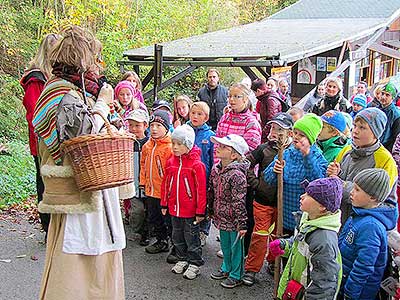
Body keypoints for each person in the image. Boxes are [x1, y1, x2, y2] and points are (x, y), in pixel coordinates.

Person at [32, 25, 125, 299]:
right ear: (82, 58)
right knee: (78, 265)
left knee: (95, 256)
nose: (97, 65)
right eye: (94, 58)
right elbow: (83, 141)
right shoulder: (62, 94)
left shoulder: (67, 89)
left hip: (89, 188)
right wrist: (103, 105)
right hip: (77, 193)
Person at [269, 177, 343, 299]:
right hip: (294, 290)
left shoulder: (323, 241)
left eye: (308, 195)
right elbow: (299, 244)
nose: (302, 196)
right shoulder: (308, 220)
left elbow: (323, 286)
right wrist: (285, 245)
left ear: (322, 207)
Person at [242, 113, 294, 286]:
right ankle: (251, 269)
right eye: (273, 128)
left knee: (278, 236)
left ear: (290, 133)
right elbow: (246, 163)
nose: (275, 132)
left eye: (280, 129)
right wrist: (256, 183)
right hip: (263, 201)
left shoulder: (293, 152)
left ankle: (273, 262)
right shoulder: (263, 148)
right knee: (260, 235)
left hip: (283, 203)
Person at [327, 107, 398, 223]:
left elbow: (376, 199)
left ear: (376, 133)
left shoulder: (386, 161)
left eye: (362, 127)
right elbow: (333, 177)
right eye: (354, 126)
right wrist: (333, 173)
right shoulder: (346, 150)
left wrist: (338, 183)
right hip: (341, 219)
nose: (355, 131)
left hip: (364, 223)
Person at [20, 33, 60, 237]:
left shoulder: (55, 76)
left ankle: (57, 225)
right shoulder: (36, 79)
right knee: (44, 182)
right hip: (42, 141)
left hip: (55, 139)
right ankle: (48, 226)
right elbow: (34, 114)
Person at [339, 168, 398, 300]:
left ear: (373, 197)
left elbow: (364, 267)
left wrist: (350, 294)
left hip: (358, 293)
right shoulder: (359, 214)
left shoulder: (370, 226)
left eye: (357, 190)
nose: (351, 192)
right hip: (344, 280)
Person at [264, 113, 328, 233]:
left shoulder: (318, 157)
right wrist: (274, 171)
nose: (296, 137)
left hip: (306, 218)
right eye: (295, 133)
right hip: (284, 215)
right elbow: (268, 179)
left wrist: (307, 156)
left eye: (302, 135)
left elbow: (318, 181)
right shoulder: (286, 154)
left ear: (311, 138)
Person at [161, 125, 207, 280]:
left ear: (188, 144)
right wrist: (164, 203)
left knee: (192, 237)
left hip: (191, 211)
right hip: (174, 209)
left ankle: (195, 263)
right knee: (177, 236)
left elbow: (201, 190)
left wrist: (201, 211)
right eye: (173, 143)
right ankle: (182, 259)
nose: (174, 147)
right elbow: (165, 183)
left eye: (179, 144)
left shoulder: (196, 165)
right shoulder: (170, 162)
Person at [208, 134, 250, 288]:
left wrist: (242, 224)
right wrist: (211, 210)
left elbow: (239, 201)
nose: (218, 147)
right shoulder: (216, 169)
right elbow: (211, 191)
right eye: (219, 145)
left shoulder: (237, 175)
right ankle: (226, 267)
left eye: (224, 146)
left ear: (234, 155)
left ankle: (236, 274)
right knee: (225, 245)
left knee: (236, 247)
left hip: (234, 219)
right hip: (221, 216)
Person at [140, 110, 173, 254]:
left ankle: (176, 246)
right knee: (154, 217)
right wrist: (142, 182)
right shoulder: (147, 146)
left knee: (169, 220)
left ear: (166, 128)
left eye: (158, 126)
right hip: (150, 190)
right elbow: (143, 165)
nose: (154, 129)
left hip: (165, 192)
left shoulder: (170, 147)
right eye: (152, 125)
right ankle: (161, 241)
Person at [187, 101, 215, 246]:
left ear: (206, 117)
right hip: (188, 175)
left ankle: (204, 231)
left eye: (199, 114)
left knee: (204, 204)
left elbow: (212, 158)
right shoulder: (185, 131)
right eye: (193, 113)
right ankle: (191, 228)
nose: (195, 116)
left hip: (204, 176)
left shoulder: (210, 136)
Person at [126, 109, 150, 246]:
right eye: (131, 125)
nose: (134, 129)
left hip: (148, 184)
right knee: (138, 210)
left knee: (150, 210)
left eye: (137, 125)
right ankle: (139, 231)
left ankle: (148, 232)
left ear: (145, 126)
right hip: (133, 184)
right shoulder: (127, 142)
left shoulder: (150, 143)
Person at [216, 83, 262, 153]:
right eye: (229, 96)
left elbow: (250, 151)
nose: (231, 99)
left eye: (236, 96)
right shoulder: (224, 118)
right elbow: (217, 143)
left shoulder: (251, 123)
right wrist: (218, 161)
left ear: (245, 99)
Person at [251, 78, 287, 142]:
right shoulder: (264, 98)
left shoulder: (270, 100)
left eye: (254, 93)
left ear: (259, 91)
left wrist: (262, 135)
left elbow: (272, 120)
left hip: (271, 135)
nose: (255, 95)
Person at [378, 82, 400, 152]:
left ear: (392, 98)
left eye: (387, 95)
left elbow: (395, 136)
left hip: (386, 149)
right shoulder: (376, 110)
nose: (383, 97)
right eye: (382, 93)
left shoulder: (396, 114)